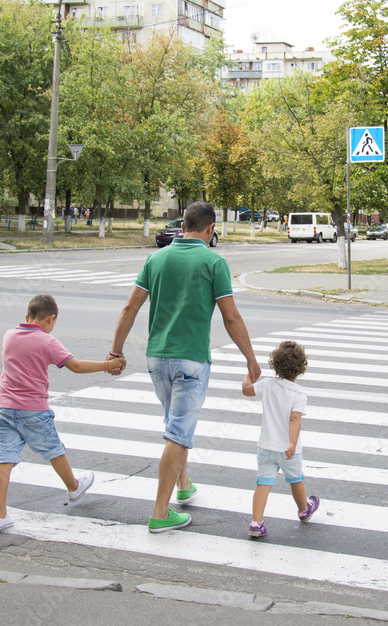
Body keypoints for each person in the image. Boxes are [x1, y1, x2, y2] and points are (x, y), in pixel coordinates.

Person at [109, 201, 260, 533]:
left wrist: (115, 352)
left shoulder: (156, 258)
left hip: (156, 358)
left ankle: (183, 485)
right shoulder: (213, 261)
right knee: (178, 433)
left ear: (183, 226)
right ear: (209, 229)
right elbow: (231, 316)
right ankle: (160, 513)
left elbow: (129, 308)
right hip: (191, 359)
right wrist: (251, 359)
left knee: (173, 424)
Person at [0, 293, 124, 532]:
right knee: (54, 450)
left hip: (5, 408)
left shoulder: (9, 335)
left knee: (3, 459)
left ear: (27, 316)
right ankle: (74, 487)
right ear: (51, 319)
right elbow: (75, 366)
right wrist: (108, 365)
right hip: (33, 410)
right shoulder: (46, 342)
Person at [242, 340, 319, 538]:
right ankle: (304, 509)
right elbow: (295, 419)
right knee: (296, 480)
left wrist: (248, 374)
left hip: (266, 447)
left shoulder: (267, 384)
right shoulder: (299, 393)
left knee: (263, 484)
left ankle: (256, 522)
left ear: (274, 364)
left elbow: (246, 390)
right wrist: (292, 442)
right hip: (287, 449)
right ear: (301, 368)